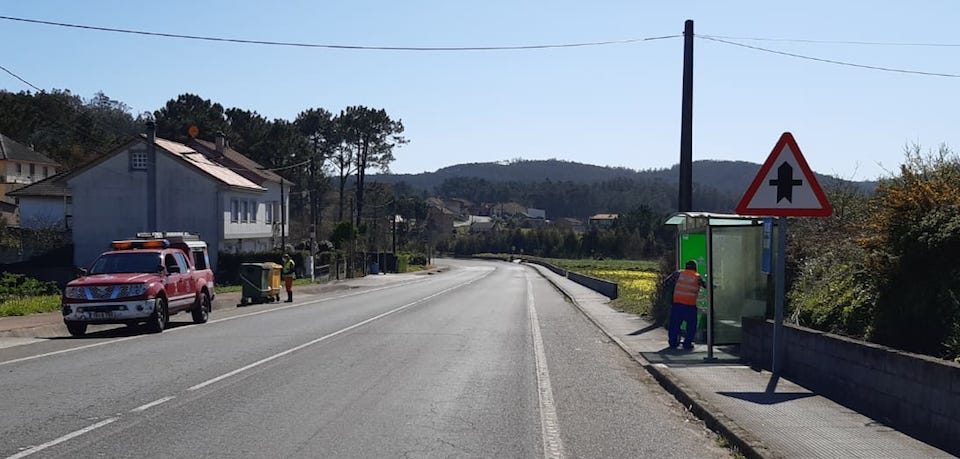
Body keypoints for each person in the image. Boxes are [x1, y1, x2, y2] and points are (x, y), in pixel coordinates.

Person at [666, 260, 707, 350]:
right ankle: (687, 343)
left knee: (674, 324)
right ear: (695, 268)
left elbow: (667, 282)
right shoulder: (697, 276)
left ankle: (673, 342)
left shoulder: (678, 274)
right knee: (691, 326)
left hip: (677, 304)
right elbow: (706, 286)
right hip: (690, 305)